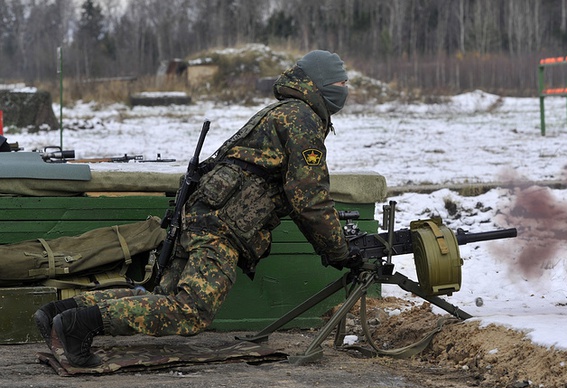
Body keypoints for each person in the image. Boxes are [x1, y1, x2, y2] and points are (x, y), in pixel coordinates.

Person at [33, 50, 363, 367]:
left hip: (201, 215)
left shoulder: (281, 112)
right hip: (221, 226)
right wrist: (339, 251)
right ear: (321, 85)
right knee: (192, 311)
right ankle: (77, 326)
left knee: (164, 296)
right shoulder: (302, 119)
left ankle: (63, 312)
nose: (346, 91)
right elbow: (309, 198)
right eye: (342, 84)